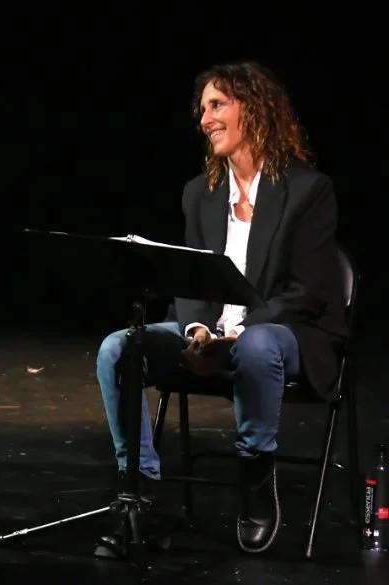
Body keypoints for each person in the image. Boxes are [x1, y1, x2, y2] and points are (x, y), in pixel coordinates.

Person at [95, 61, 347, 554]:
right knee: (117, 349)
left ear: (253, 109)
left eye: (217, 105)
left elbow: (306, 292)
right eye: (202, 109)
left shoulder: (308, 191)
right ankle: (139, 497)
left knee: (256, 345)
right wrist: (197, 332)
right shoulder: (201, 194)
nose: (205, 119)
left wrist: (235, 337)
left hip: (287, 333)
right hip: (213, 334)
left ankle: (255, 482)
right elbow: (190, 278)